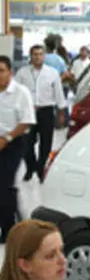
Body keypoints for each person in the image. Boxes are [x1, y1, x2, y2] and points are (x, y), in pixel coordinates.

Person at [14, 45, 66, 183]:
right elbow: (15, 93)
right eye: (35, 54)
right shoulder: (22, 73)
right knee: (26, 143)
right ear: (30, 56)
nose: (37, 57)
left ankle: (41, 168)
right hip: (27, 113)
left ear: (44, 56)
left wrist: (61, 113)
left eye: (40, 54)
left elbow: (59, 94)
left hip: (46, 111)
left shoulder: (52, 73)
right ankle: (30, 167)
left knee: (46, 142)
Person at [0, 56, 34, 244]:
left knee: (4, 184)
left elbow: (26, 121)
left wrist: (7, 138)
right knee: (4, 187)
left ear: (10, 72)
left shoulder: (21, 93)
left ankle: (8, 229)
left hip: (14, 141)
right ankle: (17, 217)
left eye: (1, 71)